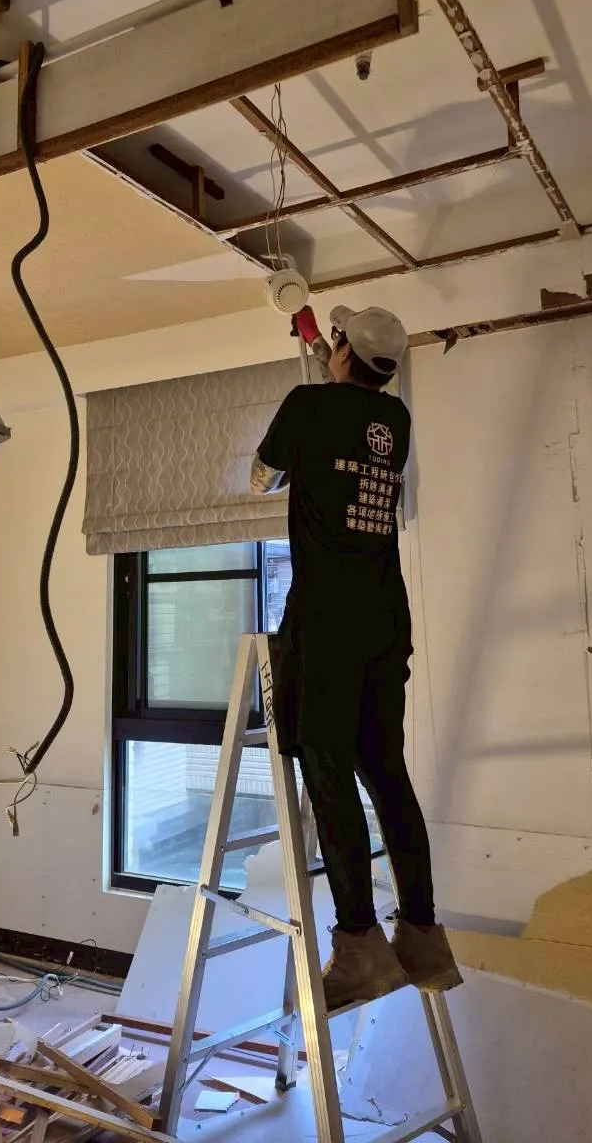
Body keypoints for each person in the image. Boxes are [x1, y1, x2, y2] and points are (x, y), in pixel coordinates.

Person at [250, 303, 462, 1011]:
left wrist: (290, 458)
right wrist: (326, 349)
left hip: (327, 621)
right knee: (386, 772)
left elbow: (262, 477)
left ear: (342, 352)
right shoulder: (394, 421)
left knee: (327, 769)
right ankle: (424, 939)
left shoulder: (307, 407)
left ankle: (360, 949)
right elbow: (347, 409)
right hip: (383, 619)